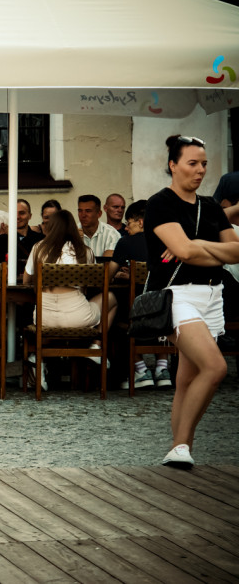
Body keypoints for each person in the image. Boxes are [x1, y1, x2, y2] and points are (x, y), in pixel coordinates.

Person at [145, 135, 237, 468]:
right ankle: (180, 446)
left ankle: (180, 448)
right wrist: (201, 249)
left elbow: (236, 252)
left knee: (186, 378)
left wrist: (198, 243)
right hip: (177, 295)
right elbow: (182, 253)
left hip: (213, 296)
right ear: (173, 164)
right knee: (215, 367)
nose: (200, 171)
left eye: (204, 164)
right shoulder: (160, 203)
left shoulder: (211, 207)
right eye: (192, 163)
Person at [22, 209, 117, 391]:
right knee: (112, 298)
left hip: (44, 318)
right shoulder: (85, 252)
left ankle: (39, 359)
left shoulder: (38, 248)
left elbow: (27, 281)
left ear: (51, 227)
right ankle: (96, 346)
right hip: (77, 317)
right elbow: (90, 285)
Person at [108, 200, 168, 390]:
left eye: (130, 222)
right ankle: (162, 369)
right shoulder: (166, 241)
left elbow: (107, 276)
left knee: (118, 319)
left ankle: (140, 369)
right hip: (165, 310)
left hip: (136, 312)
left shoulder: (125, 242)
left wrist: (125, 275)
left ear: (141, 222)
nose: (126, 227)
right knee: (159, 313)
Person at [0, 199, 46, 275]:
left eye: (22, 213)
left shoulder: (41, 240)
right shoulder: (1, 240)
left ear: (30, 216)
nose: (18, 217)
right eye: (14, 213)